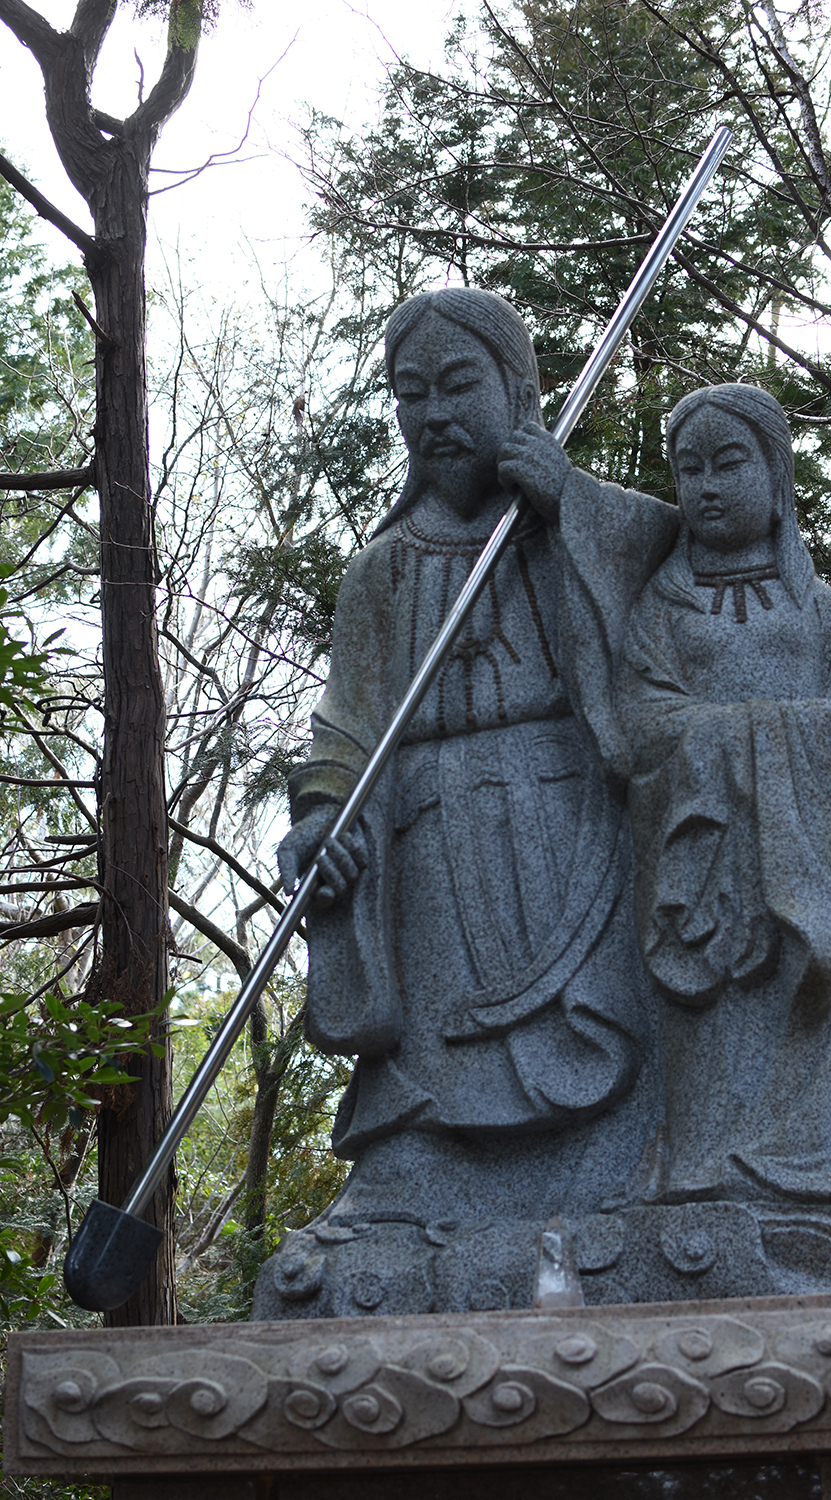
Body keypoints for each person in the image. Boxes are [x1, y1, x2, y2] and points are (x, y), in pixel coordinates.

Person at [500, 383, 831, 1291]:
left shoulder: (827, 617)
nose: (707, 486)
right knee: (708, 1042)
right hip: (703, 876)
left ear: (775, 473)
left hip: (810, 888)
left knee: (820, 1023)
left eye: (730, 463)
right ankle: (698, 1177)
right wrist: (742, 742)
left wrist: (748, 735)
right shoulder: (664, 612)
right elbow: (642, 722)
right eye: (690, 468)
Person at [268, 290, 668, 1282]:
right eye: (412, 394)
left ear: (519, 389)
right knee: (437, 1051)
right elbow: (344, 727)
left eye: (459, 385)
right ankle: (413, 1183)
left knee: (599, 1021)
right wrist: (322, 813)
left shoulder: (572, 522)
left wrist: (569, 504)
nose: (435, 413)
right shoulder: (381, 574)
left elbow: (684, 587)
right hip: (430, 837)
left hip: (568, 821)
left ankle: (617, 1171)